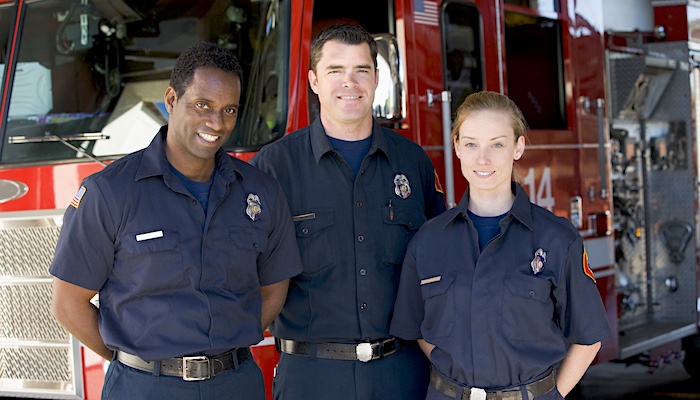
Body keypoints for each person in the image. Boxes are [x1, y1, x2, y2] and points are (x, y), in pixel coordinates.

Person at [49, 41, 302, 400]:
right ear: (171, 100)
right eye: (203, 105)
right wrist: (135, 360)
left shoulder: (261, 192)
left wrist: (224, 347)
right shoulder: (109, 192)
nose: (216, 123)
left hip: (236, 384)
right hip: (144, 388)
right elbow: (68, 303)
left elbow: (274, 289)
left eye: (229, 109)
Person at [250, 23, 446, 400]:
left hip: (403, 373)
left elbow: (445, 268)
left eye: (362, 70)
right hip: (311, 378)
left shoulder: (413, 162)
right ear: (313, 81)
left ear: (376, 78)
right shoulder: (273, 169)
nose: (350, 83)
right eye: (335, 71)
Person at [390, 91, 611, 400]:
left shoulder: (556, 238)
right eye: (471, 144)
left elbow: (589, 339)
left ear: (518, 147)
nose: (483, 159)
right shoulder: (428, 241)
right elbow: (417, 330)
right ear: (456, 147)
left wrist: (550, 395)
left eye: (497, 144)